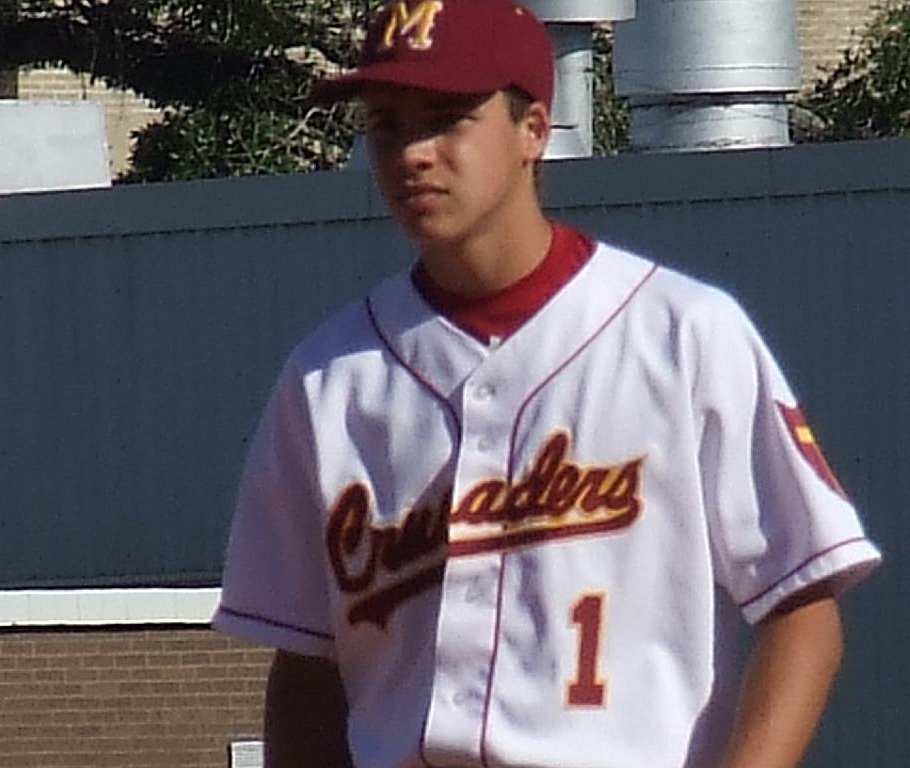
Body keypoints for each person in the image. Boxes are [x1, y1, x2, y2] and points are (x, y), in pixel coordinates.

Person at [212, 1, 881, 766]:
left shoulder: (680, 333)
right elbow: (307, 665)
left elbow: (802, 606)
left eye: (445, 117)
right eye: (387, 123)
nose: (412, 153)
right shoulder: (329, 377)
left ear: (533, 129)